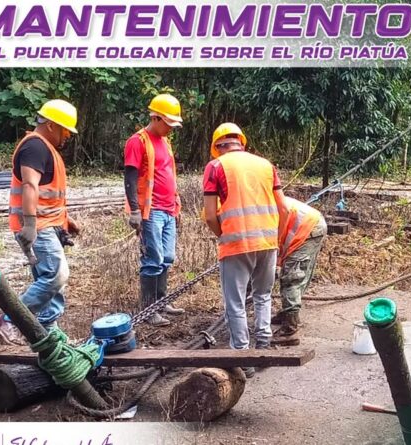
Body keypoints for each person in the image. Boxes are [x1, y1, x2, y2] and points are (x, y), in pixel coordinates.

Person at [0, 99, 80, 345]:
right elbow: (29, 185)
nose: (67, 137)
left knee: (52, 286)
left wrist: (65, 219)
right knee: (55, 275)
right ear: (51, 125)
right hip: (38, 226)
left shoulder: (46, 149)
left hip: (49, 223)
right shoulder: (35, 148)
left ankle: (47, 331)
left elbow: (45, 192)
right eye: (65, 131)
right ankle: (9, 320)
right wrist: (29, 225)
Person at [203, 122, 289, 377]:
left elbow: (209, 216)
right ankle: (263, 346)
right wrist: (277, 237)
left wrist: (225, 236)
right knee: (263, 295)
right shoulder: (266, 165)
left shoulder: (216, 167)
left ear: (217, 147)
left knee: (236, 303)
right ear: (241, 142)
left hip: (236, 244)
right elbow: (283, 208)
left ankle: (243, 358)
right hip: (267, 242)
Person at [124, 94, 184, 327]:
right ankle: (149, 310)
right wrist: (134, 210)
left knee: (166, 257)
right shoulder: (138, 141)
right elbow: (129, 177)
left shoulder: (165, 141)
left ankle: (161, 301)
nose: (171, 128)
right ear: (156, 117)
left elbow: (169, 175)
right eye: (168, 123)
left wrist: (176, 206)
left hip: (168, 209)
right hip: (151, 210)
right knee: (153, 258)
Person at [271, 197, 327, 346]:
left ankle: (290, 330)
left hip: (308, 228)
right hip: (308, 224)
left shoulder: (260, 210)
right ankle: (288, 313)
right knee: (294, 275)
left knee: (292, 278)